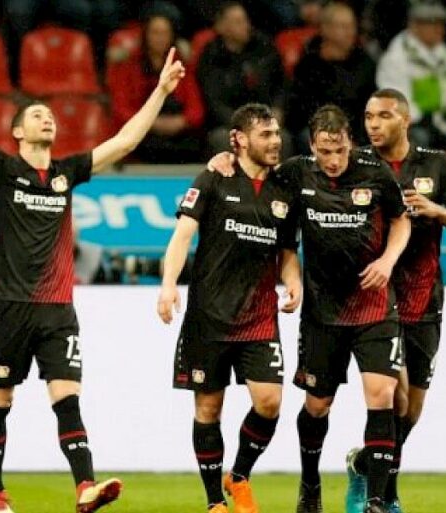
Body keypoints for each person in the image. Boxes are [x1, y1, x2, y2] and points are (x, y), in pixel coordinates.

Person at [0, 30, 186, 513]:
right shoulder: (1, 170)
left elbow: (124, 142)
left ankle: (86, 488)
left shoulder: (66, 173)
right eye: (36, 115)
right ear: (18, 133)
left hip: (58, 309)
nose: (48, 118)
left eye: (50, 115)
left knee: (67, 399)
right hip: (9, 306)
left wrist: (160, 92)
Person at [206, 104, 413, 513]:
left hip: (373, 306)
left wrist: (388, 261)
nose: (333, 160)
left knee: (382, 393)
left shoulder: (374, 172)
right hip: (323, 312)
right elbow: (254, 172)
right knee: (318, 405)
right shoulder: (296, 173)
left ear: (350, 142)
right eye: (324, 152)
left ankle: (375, 500)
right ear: (313, 147)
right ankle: (310, 483)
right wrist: (224, 158)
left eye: (340, 151)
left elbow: (401, 220)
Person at [158, 103, 302, 513]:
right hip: (210, 316)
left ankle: (238, 475)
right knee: (208, 407)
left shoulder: (284, 190)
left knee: (269, 402)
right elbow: (182, 235)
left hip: (259, 317)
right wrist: (168, 284)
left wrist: (293, 281)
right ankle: (213, 502)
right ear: (239, 139)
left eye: (276, 133)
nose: (275, 141)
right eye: (265, 135)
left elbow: (287, 251)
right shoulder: (213, 178)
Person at [346, 88, 446, 513]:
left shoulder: (436, 164)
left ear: (404, 120)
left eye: (384, 116)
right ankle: (383, 495)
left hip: (424, 299)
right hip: (376, 298)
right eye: (368, 116)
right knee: (393, 398)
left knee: (412, 411)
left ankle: (365, 465)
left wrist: (437, 210)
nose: (373, 124)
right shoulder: (356, 163)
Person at [375, 2, 446, 163]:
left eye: (441, 23)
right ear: (414, 26)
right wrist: (435, 133)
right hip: (411, 128)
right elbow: (397, 106)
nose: (439, 29)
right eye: (432, 23)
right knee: (421, 140)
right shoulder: (395, 59)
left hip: (444, 128)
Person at [108, 9, 205, 163]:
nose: (160, 38)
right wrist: (152, 122)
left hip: (178, 132)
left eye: (165, 33)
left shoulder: (180, 65)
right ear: (145, 35)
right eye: (155, 33)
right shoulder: (130, 65)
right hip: (142, 132)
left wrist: (180, 121)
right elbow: (120, 108)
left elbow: (196, 109)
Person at [197, 2, 289, 157]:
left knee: (283, 139)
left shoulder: (264, 48)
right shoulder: (211, 55)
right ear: (221, 27)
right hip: (229, 125)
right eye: (238, 22)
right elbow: (214, 103)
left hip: (265, 120)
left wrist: (277, 109)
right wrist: (243, 125)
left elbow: (281, 85)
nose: (246, 26)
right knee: (221, 139)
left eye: (245, 20)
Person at [286, 2, 378, 151]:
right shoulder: (308, 64)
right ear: (325, 29)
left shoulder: (365, 63)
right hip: (319, 133)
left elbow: (370, 106)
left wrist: (356, 139)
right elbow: (300, 113)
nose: (350, 32)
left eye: (352, 26)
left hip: (357, 135)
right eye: (343, 27)